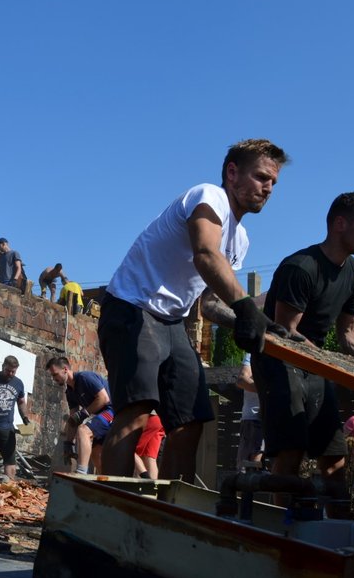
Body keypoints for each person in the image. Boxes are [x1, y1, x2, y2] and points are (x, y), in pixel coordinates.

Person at [98, 139, 290, 481]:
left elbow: (211, 303)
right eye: (262, 177)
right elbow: (205, 255)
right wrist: (246, 307)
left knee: (190, 420)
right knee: (137, 413)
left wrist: (254, 323)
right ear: (232, 172)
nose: (268, 188)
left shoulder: (240, 238)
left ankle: (172, 510)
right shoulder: (208, 196)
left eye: (273, 182)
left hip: (172, 322)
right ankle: (111, 507)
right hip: (132, 306)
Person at [255, 192, 354, 487]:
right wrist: (329, 363)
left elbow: (348, 332)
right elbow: (287, 332)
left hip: (316, 365)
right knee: (291, 453)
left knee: (334, 457)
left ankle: (340, 525)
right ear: (339, 224)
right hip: (278, 361)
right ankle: (282, 528)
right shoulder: (301, 267)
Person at [46, 357, 113, 475]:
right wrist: (68, 443)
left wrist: (84, 413)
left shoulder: (85, 378)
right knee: (95, 452)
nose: (54, 379)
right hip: (101, 415)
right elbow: (73, 419)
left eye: (55, 374)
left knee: (83, 431)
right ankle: (105, 483)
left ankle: (81, 474)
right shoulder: (70, 392)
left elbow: (104, 398)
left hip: (112, 411)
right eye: (52, 376)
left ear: (65, 369)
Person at [236, 352, 265, 471]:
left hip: (274, 420)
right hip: (254, 419)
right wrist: (269, 391)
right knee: (249, 467)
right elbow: (242, 380)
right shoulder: (253, 355)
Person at [134, 414, 165, 479]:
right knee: (150, 458)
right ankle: (154, 486)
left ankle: (147, 479)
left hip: (148, 418)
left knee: (131, 450)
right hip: (160, 420)